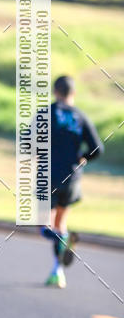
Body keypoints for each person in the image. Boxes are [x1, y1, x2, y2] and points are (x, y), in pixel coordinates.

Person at [41, 76, 103, 288]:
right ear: (73, 94)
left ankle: (61, 240)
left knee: (45, 226)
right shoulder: (80, 117)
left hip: (49, 176)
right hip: (72, 177)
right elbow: (97, 148)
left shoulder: (46, 113)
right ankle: (57, 272)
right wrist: (83, 157)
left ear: (55, 92)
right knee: (60, 224)